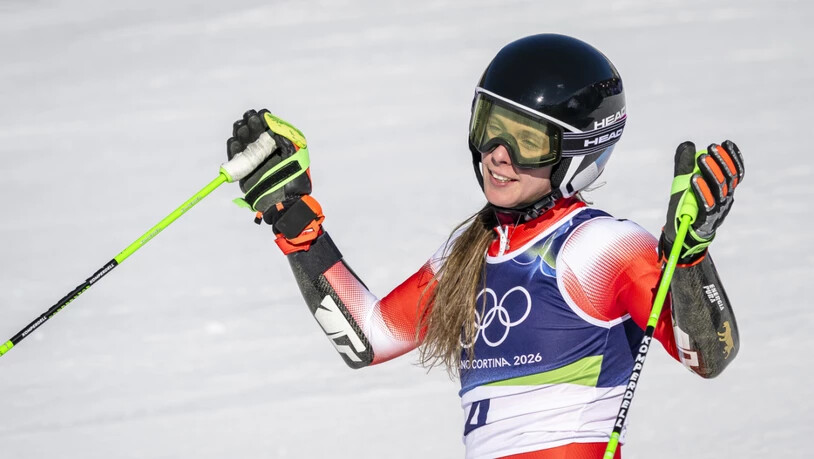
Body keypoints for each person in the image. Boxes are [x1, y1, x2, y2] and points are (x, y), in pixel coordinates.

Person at [225, 34, 743, 459]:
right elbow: (368, 338)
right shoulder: (469, 250)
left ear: (579, 153)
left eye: (528, 141)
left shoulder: (601, 247)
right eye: (491, 128)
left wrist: (689, 258)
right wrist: (295, 223)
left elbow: (709, 356)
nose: (499, 155)